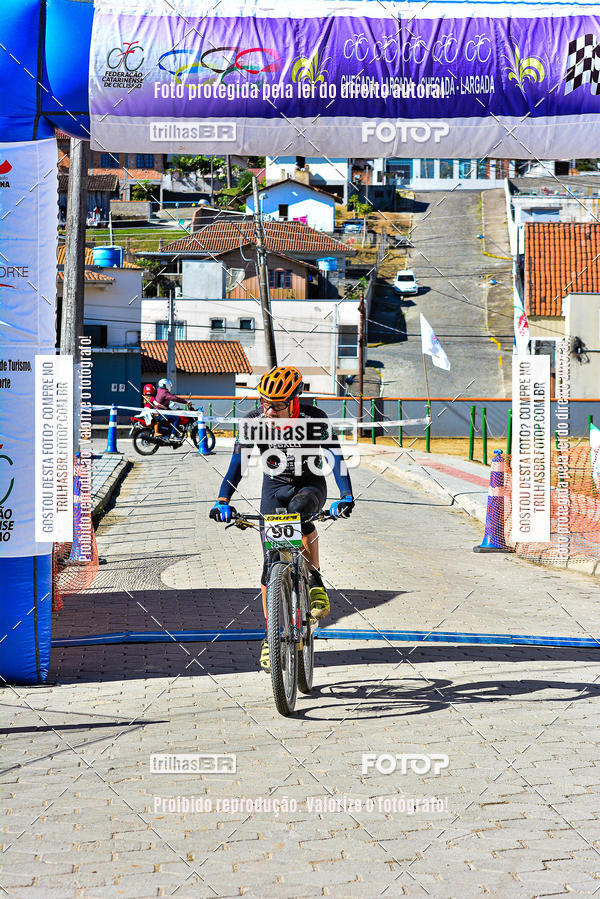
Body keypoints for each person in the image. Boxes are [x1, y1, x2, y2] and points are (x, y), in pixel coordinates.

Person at [209, 366, 355, 672]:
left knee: (302, 518)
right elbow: (238, 462)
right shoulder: (253, 421)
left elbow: (335, 458)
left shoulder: (314, 420)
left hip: (309, 483)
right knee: (269, 562)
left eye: (277, 404)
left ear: (295, 401)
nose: (269, 410)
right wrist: (223, 499)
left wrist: (346, 495)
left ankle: (314, 580)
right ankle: (272, 634)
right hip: (273, 488)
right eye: (265, 402)